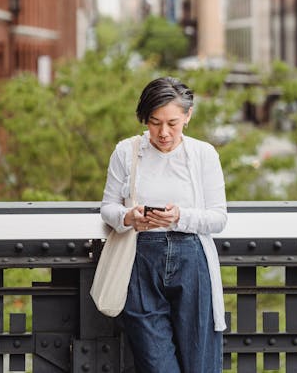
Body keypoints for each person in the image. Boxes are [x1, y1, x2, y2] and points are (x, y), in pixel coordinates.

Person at [100, 76, 227, 373]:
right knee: (156, 365)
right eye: (155, 122)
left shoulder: (203, 155)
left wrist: (179, 217)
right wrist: (128, 217)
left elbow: (218, 217)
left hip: (193, 258)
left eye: (172, 123)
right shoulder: (126, 151)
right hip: (140, 260)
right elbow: (107, 208)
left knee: (200, 363)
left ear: (188, 116)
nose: (164, 132)